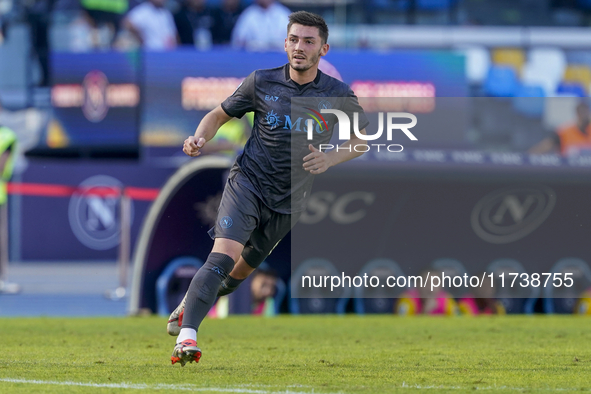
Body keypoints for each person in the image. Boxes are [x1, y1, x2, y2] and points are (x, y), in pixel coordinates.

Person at [168, 11, 369, 366]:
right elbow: (217, 115)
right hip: (248, 183)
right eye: (294, 39)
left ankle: (189, 302)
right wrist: (199, 137)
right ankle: (187, 338)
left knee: (236, 275)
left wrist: (329, 159)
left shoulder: (337, 94)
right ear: (285, 43)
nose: (299, 47)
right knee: (223, 256)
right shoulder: (261, 82)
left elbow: (361, 140)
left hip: (288, 201)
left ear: (324, 48)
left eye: (308, 41)